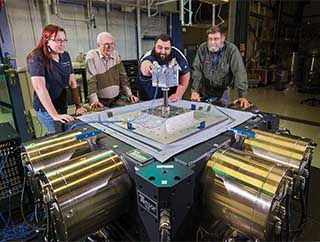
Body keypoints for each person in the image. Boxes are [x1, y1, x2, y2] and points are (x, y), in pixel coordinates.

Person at [27, 24, 86, 134]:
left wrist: (79, 105)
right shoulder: (36, 57)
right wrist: (54, 115)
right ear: (47, 40)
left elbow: (72, 82)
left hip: (61, 104)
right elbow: (40, 88)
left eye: (64, 40)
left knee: (66, 132)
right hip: (46, 109)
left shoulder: (65, 56)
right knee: (58, 134)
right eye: (59, 40)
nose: (63, 44)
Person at [191, 25, 250, 109]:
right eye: (210, 39)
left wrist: (242, 95)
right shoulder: (202, 49)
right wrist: (195, 91)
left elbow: (239, 71)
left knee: (222, 113)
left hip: (223, 90)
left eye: (216, 39)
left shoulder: (231, 50)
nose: (212, 42)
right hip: (204, 89)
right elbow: (197, 70)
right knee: (202, 115)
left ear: (223, 39)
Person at [86, 32, 139, 109]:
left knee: (131, 109)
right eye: (106, 44)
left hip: (116, 99)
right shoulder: (92, 56)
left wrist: (129, 95)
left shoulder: (116, 55)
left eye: (112, 44)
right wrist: (94, 101)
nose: (110, 47)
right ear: (98, 45)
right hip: (100, 101)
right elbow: (91, 81)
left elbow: (123, 76)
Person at [139, 34, 190, 102]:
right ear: (154, 46)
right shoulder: (149, 55)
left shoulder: (177, 55)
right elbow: (145, 64)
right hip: (148, 100)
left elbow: (185, 74)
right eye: (159, 47)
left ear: (171, 48)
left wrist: (178, 94)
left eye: (166, 48)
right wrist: (147, 69)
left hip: (170, 99)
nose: (163, 52)